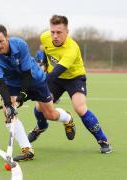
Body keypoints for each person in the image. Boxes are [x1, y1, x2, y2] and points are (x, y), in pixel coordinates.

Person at [0, 25, 75, 160]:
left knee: (50, 114)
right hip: (12, 84)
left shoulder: (20, 45)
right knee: (7, 112)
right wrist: (8, 104)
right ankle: (27, 150)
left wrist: (22, 96)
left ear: (7, 37)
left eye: (1, 41)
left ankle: (67, 118)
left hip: (35, 80)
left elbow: (27, 74)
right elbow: (1, 84)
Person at [28, 15, 112, 154]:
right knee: (39, 107)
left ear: (67, 31)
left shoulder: (72, 48)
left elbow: (57, 72)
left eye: (59, 32)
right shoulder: (44, 37)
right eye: (52, 32)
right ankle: (41, 127)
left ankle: (103, 140)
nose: (55, 36)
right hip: (54, 77)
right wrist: (43, 66)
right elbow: (47, 54)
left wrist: (36, 84)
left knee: (80, 108)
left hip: (74, 78)